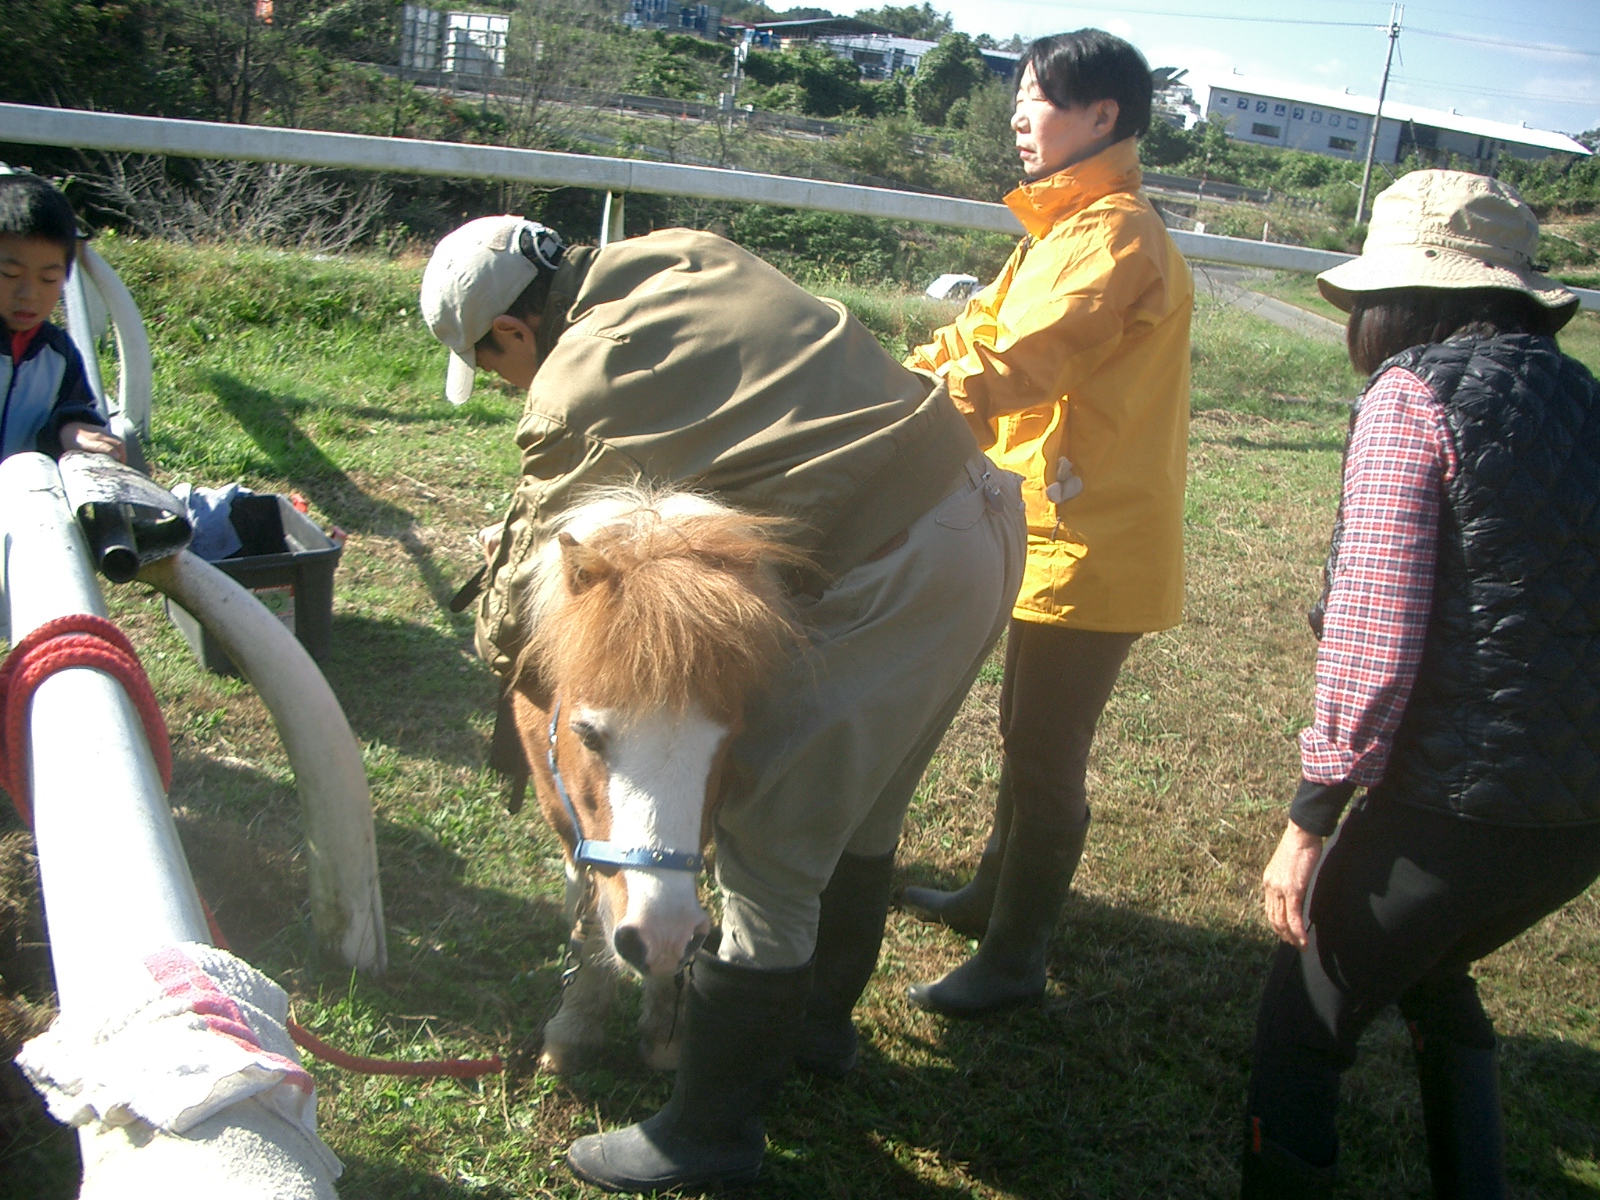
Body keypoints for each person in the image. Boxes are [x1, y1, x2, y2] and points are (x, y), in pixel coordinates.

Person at [420, 216, 1026, 1191]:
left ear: (511, 333)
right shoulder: (679, 254)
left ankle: (706, 1131)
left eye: (491, 365)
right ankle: (816, 1030)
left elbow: (527, 605)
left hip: (893, 566)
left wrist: (513, 652)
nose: (502, 384)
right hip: (980, 520)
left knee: (767, 856)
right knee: (861, 813)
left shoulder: (571, 388)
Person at [1242, 170, 1600, 1198]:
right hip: (1577, 817)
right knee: (1432, 965)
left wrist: (1310, 819)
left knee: (1302, 1022)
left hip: (1456, 809)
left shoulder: (1412, 396)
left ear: (1396, 298)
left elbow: (1373, 629)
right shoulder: (1582, 393)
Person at [899, 29, 1192, 1016]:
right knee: (1023, 731)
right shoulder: (1063, 228)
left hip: (1092, 535)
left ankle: (1015, 960)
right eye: (1021, 96)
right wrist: (893, 373)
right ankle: (991, 898)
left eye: (1038, 98)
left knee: (1046, 749)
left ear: (1101, 116)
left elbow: (1020, 365)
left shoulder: (1114, 235)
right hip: (1052, 518)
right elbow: (980, 332)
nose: (1019, 116)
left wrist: (900, 411)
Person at [0, 172, 124, 463]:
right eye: (10, 274)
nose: (29, 294)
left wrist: (73, 431)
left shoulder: (57, 352)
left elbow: (71, 409)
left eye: (48, 278)